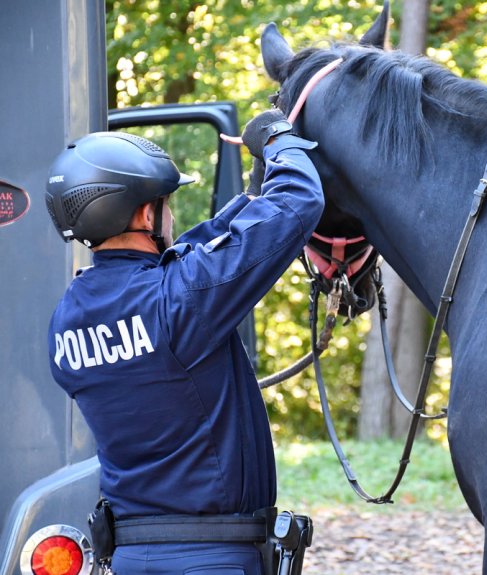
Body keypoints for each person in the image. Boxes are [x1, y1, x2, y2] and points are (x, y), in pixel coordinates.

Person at [45, 110, 323, 573]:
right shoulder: (180, 300)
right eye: (166, 203)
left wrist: (253, 193)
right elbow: (299, 204)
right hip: (212, 559)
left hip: (132, 557)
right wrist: (278, 139)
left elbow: (195, 256)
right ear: (143, 212)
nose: (171, 214)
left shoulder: (67, 319)